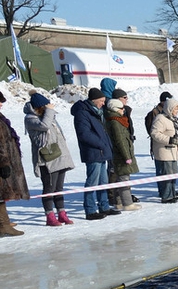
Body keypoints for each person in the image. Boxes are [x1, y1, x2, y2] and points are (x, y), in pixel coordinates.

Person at [23, 92, 75, 226]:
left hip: (59, 156)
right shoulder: (30, 118)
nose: (49, 108)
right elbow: (44, 126)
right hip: (47, 159)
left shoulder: (47, 116)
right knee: (49, 189)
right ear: (40, 107)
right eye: (46, 106)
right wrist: (50, 111)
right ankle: (50, 216)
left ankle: (62, 213)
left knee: (59, 188)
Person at [72, 87, 119, 220]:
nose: (103, 104)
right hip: (93, 152)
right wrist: (101, 144)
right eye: (101, 101)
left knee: (103, 181)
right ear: (94, 100)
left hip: (102, 152)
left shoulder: (97, 112)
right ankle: (90, 209)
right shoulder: (82, 113)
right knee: (92, 182)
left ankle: (104, 206)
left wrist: (106, 146)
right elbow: (84, 134)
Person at [1, 91, 30, 235]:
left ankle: (4, 222)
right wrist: (3, 163)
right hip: (2, 161)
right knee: (1, 194)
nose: (1, 104)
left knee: (2, 194)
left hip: (6, 159)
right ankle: (4, 225)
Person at [104, 98, 141, 210]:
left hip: (120, 154)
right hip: (121, 155)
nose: (123, 110)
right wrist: (127, 156)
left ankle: (118, 202)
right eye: (121, 108)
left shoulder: (117, 120)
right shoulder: (115, 122)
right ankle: (127, 203)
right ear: (115, 109)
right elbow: (120, 141)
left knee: (119, 178)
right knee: (124, 179)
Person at [150, 98, 178, 203]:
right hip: (163, 151)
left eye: (177, 109)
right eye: (175, 109)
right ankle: (166, 196)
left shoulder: (174, 120)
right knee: (166, 174)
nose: (177, 112)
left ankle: (172, 193)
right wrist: (169, 140)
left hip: (173, 152)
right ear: (169, 108)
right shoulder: (160, 118)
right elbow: (154, 133)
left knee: (173, 173)